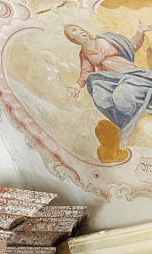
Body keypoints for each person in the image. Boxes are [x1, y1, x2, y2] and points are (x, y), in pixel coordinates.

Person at [64, 22, 152, 162]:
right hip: (111, 81)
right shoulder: (84, 54)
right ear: (72, 38)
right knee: (100, 96)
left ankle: (134, 119)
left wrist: (140, 31)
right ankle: (131, 122)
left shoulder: (105, 40)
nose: (80, 31)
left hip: (131, 74)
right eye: (74, 30)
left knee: (121, 96)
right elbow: (86, 72)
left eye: (80, 28)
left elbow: (130, 45)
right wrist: (78, 86)